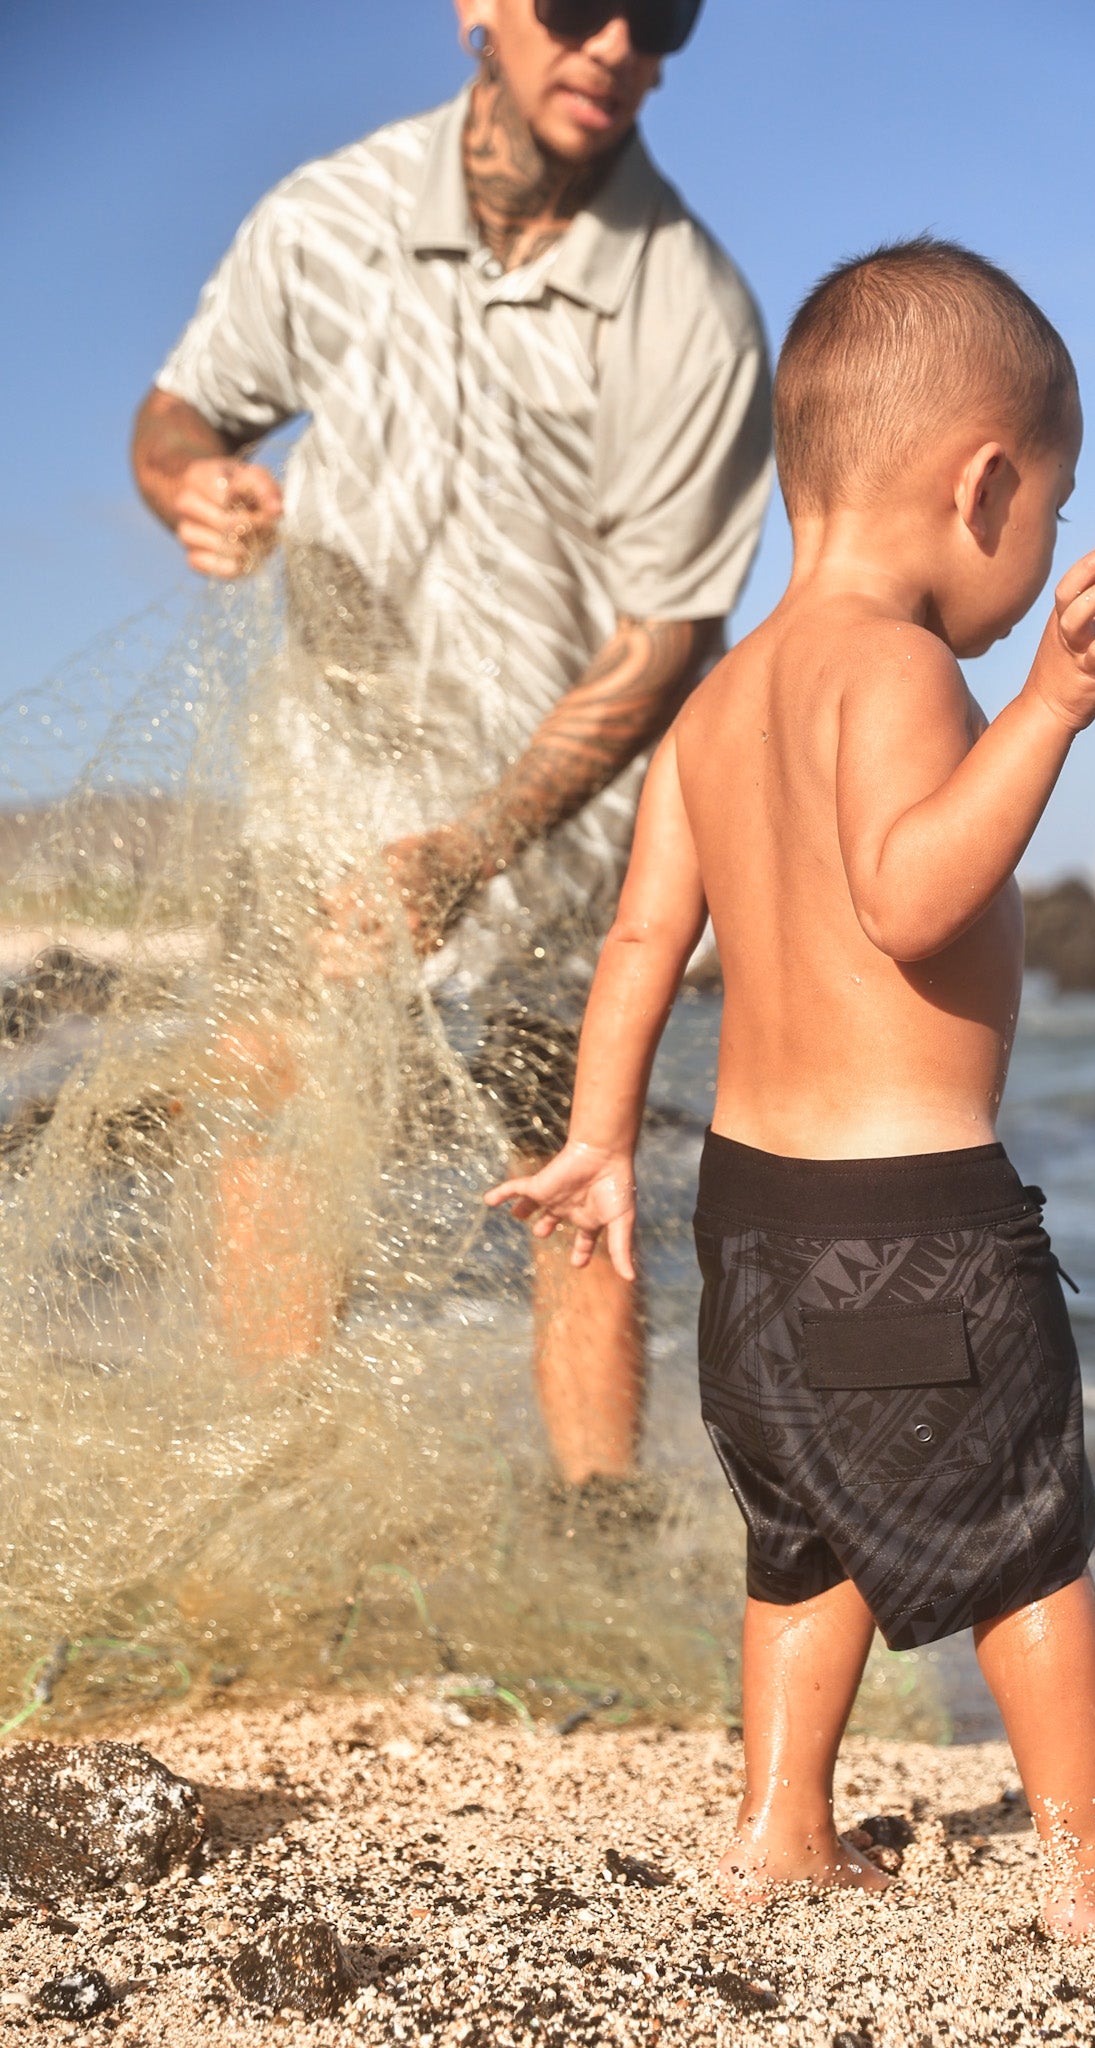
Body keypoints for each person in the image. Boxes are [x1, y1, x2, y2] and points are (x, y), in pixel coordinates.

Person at [487, 237, 1095, 1931]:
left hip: (748, 1227)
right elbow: (908, 890)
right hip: (913, 1227)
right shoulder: (903, 671)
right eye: (1048, 509)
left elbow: (641, 944)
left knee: (797, 1539)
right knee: (1030, 1536)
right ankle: (1091, 1870)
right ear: (985, 485)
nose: (1032, 559)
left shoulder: (714, 706)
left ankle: (778, 1828)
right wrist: (1045, 712)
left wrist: (599, 1146)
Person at [129, 0, 771, 1484]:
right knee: (272, 1123)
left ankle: (592, 1529)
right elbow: (178, 417)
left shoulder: (693, 311)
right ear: (478, 7)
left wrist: (479, 846)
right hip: (320, 793)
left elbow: (663, 641)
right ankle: (266, 1500)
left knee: (575, 1177)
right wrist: (191, 484)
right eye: (576, 5)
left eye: (658, 9)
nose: (614, 39)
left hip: (570, 840)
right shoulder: (325, 215)